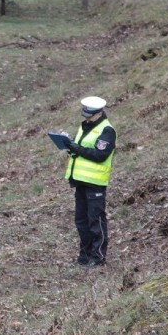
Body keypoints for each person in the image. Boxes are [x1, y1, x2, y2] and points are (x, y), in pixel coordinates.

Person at [64, 96, 116, 268]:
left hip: (95, 183)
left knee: (95, 221)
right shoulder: (85, 127)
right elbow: (82, 151)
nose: (85, 116)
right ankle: (85, 256)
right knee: (81, 221)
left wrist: (76, 148)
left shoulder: (107, 131)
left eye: (88, 113)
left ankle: (98, 257)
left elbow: (100, 155)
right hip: (80, 181)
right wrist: (68, 145)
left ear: (98, 112)